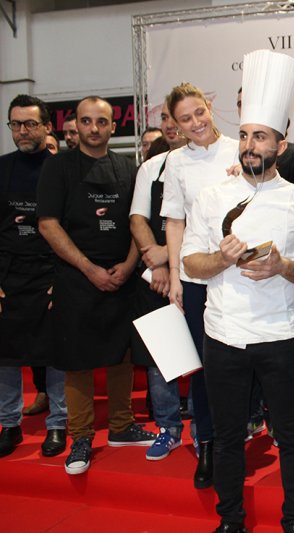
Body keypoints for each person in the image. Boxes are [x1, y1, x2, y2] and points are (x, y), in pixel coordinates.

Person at [183, 49, 294, 533]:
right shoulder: (212, 196)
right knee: (230, 436)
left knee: (293, 436)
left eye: (260, 136)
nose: (249, 145)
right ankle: (231, 520)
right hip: (223, 335)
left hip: (280, 334)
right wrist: (222, 258)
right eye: (243, 135)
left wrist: (282, 266)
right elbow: (190, 263)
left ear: (280, 143)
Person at [37, 96, 156, 475]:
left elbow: (138, 221)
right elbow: (48, 224)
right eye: (86, 121)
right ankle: (82, 437)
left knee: (121, 353)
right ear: (76, 124)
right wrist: (88, 268)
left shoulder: (128, 168)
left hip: (122, 275)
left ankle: (121, 426)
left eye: (101, 122)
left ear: (112, 127)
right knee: (78, 361)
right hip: (77, 277)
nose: (93, 128)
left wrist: (128, 264)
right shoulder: (58, 168)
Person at [161, 82, 240, 489]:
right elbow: (175, 220)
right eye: (184, 118)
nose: (195, 123)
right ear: (173, 125)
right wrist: (175, 276)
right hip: (196, 276)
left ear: (211, 106)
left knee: (242, 361)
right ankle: (207, 442)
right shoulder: (175, 162)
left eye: (199, 112)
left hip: (241, 272)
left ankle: (241, 433)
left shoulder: (240, 148)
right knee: (204, 367)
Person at [0, 94, 66, 458]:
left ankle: (58, 424)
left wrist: (65, 278)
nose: (22, 131)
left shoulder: (64, 168)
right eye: (15, 124)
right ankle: (9, 425)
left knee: (53, 354)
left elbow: (74, 229)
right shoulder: (1, 168)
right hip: (8, 275)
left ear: (46, 126)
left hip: (50, 274)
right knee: (5, 356)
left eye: (29, 124)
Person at [129, 101, 188, 461]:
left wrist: (171, 256)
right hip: (157, 278)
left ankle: (203, 428)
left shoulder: (211, 165)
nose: (169, 125)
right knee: (160, 357)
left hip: (197, 273)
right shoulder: (151, 167)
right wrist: (158, 261)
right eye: (164, 118)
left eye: (175, 117)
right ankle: (169, 427)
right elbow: (138, 219)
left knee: (200, 354)